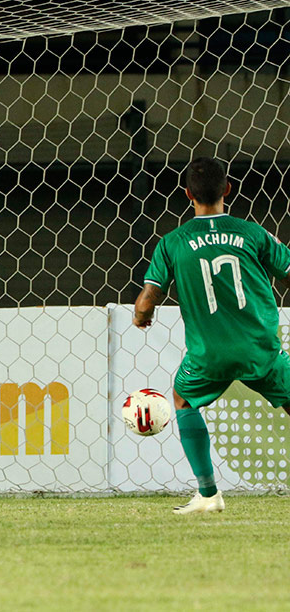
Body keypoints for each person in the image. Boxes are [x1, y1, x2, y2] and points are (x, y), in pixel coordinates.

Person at [134, 157, 290, 514]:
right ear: (228, 190)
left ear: (187, 194)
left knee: (183, 400)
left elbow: (145, 302)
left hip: (209, 357)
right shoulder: (253, 233)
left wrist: (142, 315)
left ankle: (208, 494)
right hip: (260, 351)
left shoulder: (173, 242)